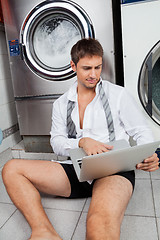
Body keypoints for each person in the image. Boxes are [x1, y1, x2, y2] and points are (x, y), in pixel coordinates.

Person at [2, 38, 159, 240]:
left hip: (113, 170)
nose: (93, 75)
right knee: (11, 169)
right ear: (73, 66)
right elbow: (56, 142)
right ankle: (44, 231)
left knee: (98, 226)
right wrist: (81, 142)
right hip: (77, 169)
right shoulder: (61, 104)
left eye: (98, 67)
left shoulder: (118, 95)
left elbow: (141, 131)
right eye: (86, 68)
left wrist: (149, 153)